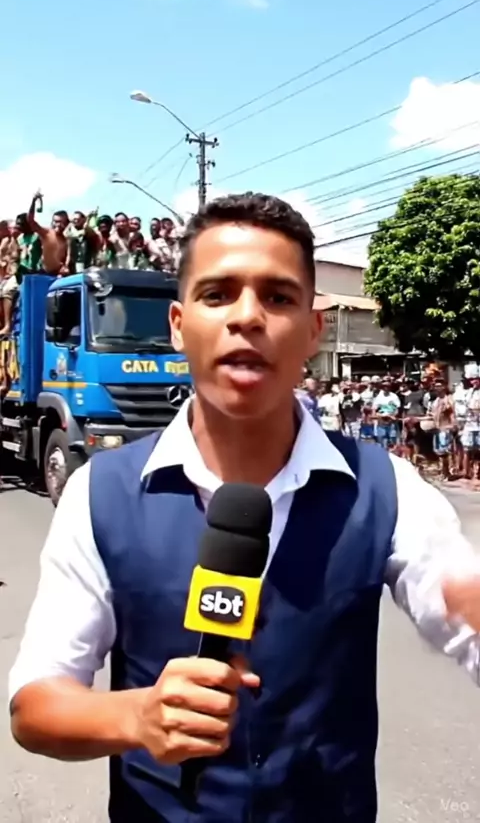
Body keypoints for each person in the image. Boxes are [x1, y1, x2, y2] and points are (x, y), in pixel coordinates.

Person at [8, 193, 480, 823]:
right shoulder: (98, 493)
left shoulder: (388, 489)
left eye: (278, 297)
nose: (247, 317)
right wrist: (134, 716)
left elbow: (466, 615)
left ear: (313, 331)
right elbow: (35, 707)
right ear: (178, 325)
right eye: (218, 294)